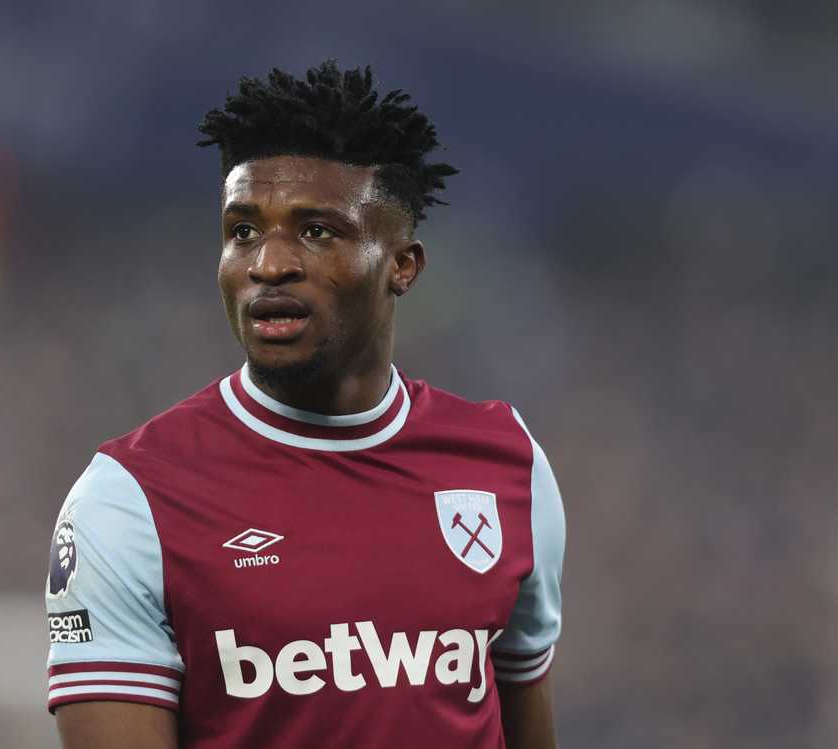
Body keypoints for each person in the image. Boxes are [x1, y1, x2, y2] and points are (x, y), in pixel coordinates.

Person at [44, 60, 566, 749]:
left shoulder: (507, 465)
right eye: (243, 230)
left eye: (317, 231)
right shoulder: (127, 501)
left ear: (402, 265)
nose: (268, 263)